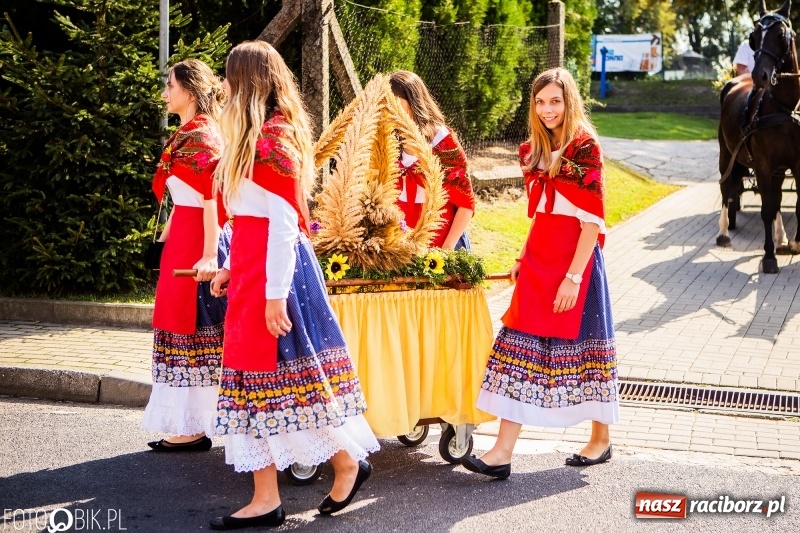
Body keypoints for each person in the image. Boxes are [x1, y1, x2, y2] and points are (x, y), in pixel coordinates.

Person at [208, 41, 379, 530]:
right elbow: (250, 217)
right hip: (253, 268)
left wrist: (274, 295)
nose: (223, 88)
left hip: (275, 273)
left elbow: (284, 226)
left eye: (229, 78)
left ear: (247, 83)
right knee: (259, 384)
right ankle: (269, 496)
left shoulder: (273, 141)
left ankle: (344, 463)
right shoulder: (255, 138)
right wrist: (229, 266)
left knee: (289, 380)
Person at [461, 67, 618, 479]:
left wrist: (574, 277)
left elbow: (591, 222)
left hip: (575, 261)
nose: (548, 110)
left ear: (569, 101)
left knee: (588, 350)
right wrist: (522, 255)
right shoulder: (532, 151)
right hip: (539, 258)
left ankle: (600, 439)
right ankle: (502, 452)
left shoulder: (585, 147)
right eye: (541, 102)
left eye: (555, 101)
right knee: (517, 346)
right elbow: (542, 215)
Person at [142, 59, 230, 452]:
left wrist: (209, 253)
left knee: (192, 329)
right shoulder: (189, 134)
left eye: (171, 86)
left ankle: (193, 427)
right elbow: (184, 200)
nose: (165, 93)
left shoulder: (201, 136)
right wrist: (164, 240)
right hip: (183, 237)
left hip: (198, 241)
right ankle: (190, 424)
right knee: (180, 328)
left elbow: (211, 199)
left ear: (190, 92)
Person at [389, 70, 475, 250]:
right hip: (401, 246)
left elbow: (466, 203)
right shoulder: (390, 140)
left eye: (394, 100)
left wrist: (447, 248)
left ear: (413, 100)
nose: (389, 107)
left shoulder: (442, 142)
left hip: (440, 245)